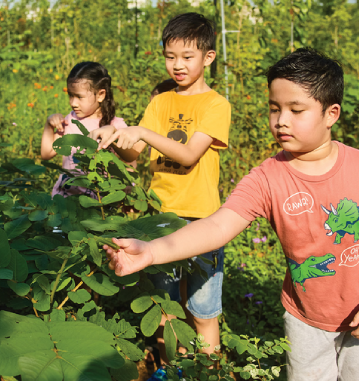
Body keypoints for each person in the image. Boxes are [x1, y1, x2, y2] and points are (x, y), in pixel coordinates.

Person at [101, 48, 359, 381]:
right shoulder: (267, 177)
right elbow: (218, 225)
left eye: (297, 110)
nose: (281, 120)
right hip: (305, 319)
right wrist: (151, 251)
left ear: (331, 114)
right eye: (274, 108)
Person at [89, 12, 231, 365]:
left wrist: (141, 131)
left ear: (208, 57)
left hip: (201, 220)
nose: (177, 65)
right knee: (165, 303)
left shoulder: (216, 105)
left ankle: (207, 370)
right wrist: (115, 137)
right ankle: (171, 367)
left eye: (187, 57)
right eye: (170, 57)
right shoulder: (160, 102)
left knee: (202, 308)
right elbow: (134, 153)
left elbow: (187, 155)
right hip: (159, 217)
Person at [40, 61, 129, 198]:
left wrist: (128, 188)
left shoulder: (116, 126)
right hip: (65, 201)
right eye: (70, 95)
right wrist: (48, 125)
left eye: (79, 97)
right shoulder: (70, 120)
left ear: (100, 95)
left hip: (100, 204)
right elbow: (47, 154)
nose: (73, 103)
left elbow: (129, 160)